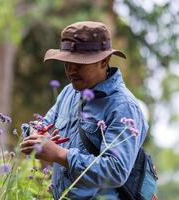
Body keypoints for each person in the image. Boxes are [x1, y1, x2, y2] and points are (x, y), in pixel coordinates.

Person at [20, 21, 149, 199]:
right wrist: (35, 134)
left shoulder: (123, 107)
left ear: (104, 61)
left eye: (79, 64)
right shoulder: (68, 93)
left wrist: (59, 154)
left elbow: (116, 170)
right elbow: (44, 124)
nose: (71, 70)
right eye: (67, 63)